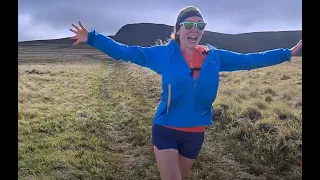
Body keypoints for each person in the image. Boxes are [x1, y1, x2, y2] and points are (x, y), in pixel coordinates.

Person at [70, 6, 302, 180]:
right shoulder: (163, 55)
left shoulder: (215, 57)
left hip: (195, 132)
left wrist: (286, 53)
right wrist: (92, 37)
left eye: (200, 26)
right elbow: (127, 52)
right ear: (178, 29)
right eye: (189, 25)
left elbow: (250, 60)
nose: (195, 30)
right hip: (166, 129)